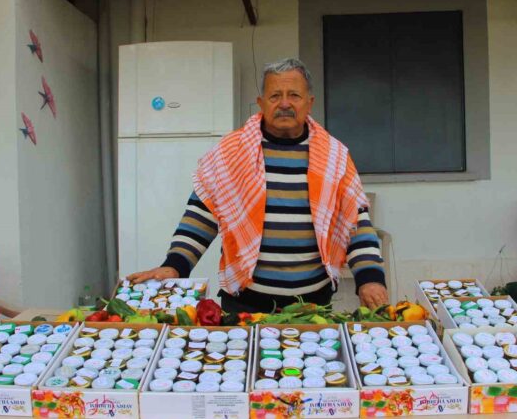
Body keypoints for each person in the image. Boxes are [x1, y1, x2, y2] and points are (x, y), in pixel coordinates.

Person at [127, 58, 388, 313]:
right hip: (244, 307)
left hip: (312, 307)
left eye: (294, 95)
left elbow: (356, 222)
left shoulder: (335, 157)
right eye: (275, 96)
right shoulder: (230, 153)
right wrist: (175, 266)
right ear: (261, 103)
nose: (284, 103)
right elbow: (200, 216)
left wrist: (370, 278)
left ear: (309, 103)